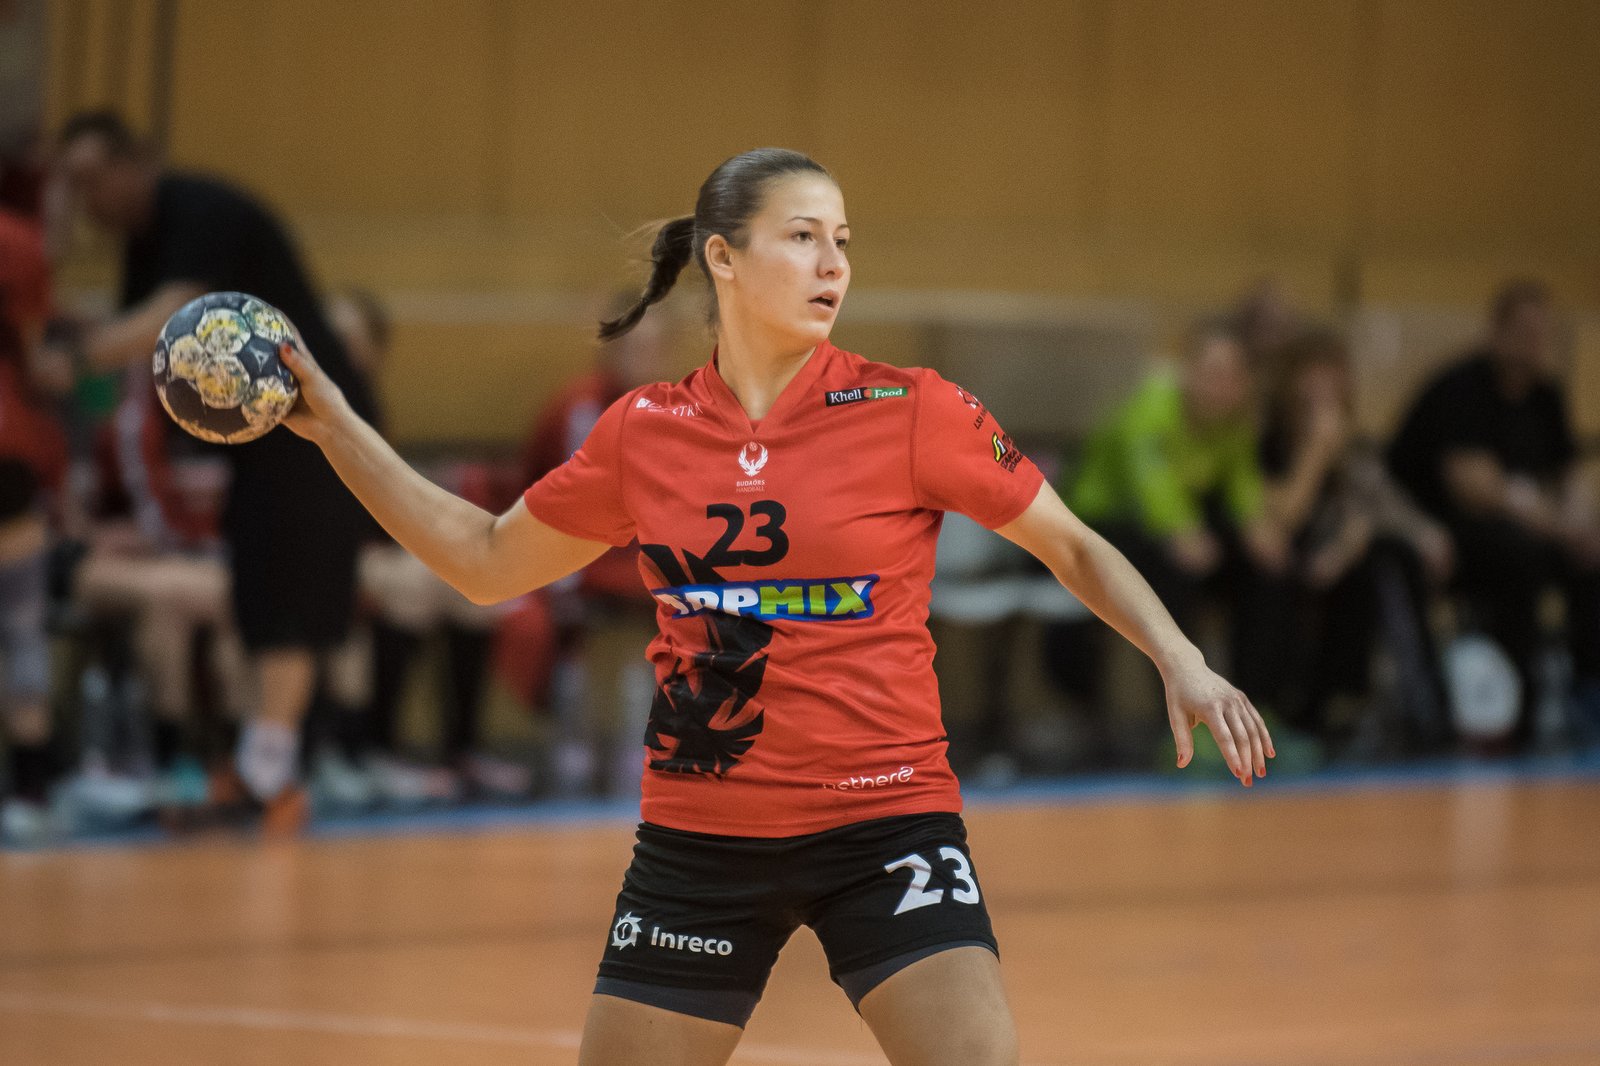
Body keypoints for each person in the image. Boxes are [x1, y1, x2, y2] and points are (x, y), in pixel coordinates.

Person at [277, 148, 1273, 1064]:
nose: (833, 263)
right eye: (802, 236)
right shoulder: (644, 431)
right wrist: (335, 429)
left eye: (843, 240)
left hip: (886, 823)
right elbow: (485, 560)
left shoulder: (912, 409)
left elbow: (1073, 545)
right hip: (700, 839)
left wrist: (1179, 657)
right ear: (722, 257)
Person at [48, 111, 378, 833]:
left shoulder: (198, 210)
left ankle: (272, 779)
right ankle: (261, 770)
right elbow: (134, 340)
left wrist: (70, 360)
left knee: (289, 603)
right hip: (260, 442)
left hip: (318, 426)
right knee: (256, 600)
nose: (85, 198)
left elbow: (166, 319)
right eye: (71, 185)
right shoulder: (143, 244)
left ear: (135, 162)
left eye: (91, 179)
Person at [1388, 280, 1600, 748]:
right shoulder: (1461, 387)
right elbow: (1476, 490)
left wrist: (1582, 523)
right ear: (1497, 330)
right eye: (1523, 331)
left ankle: (1588, 690)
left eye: (1541, 332)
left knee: (1589, 560)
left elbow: (1570, 474)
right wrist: (1561, 527)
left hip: (1527, 529)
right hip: (1443, 531)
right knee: (1520, 556)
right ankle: (1517, 710)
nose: (1532, 343)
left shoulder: (1546, 394)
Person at [1056, 323, 1291, 736]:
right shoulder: (1152, 406)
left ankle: (1257, 711)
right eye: (1212, 373)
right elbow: (1149, 479)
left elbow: (1242, 481)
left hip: (1172, 518)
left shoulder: (1236, 422)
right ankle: (1184, 724)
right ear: (1187, 371)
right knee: (1170, 575)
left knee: (1264, 571)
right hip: (1100, 521)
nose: (1222, 386)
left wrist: (1256, 525)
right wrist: (1181, 529)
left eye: (1233, 376)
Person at [1259, 330, 1452, 751]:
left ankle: (1405, 706)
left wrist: (1426, 533)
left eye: (1334, 374)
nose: (1325, 387)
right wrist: (1316, 451)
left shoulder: (1356, 446)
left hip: (1342, 564)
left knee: (1390, 556)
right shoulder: (1270, 442)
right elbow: (1283, 517)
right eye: (1313, 374)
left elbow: (1383, 504)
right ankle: (1301, 711)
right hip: (1284, 559)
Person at [517, 294, 665, 796]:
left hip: (647, 561)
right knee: (569, 613)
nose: (641, 356)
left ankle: (644, 745)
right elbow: (540, 489)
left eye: (651, 346)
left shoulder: (677, 409)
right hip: (581, 557)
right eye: (632, 345)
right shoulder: (577, 407)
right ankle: (575, 743)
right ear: (611, 347)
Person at [0, 181, 69, 843]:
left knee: (22, 631)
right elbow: (43, 360)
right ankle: (30, 789)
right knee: (21, 630)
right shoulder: (19, 241)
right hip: (11, 445)